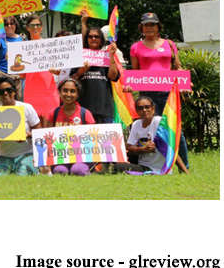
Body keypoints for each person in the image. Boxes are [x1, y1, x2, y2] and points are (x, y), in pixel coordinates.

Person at [127, 11, 189, 167]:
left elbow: (178, 67)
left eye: (152, 24)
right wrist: (129, 84)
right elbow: (135, 72)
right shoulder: (135, 47)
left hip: (169, 93)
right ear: (141, 27)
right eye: (146, 25)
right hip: (147, 95)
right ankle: (154, 164)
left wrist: (184, 83)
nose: (149, 28)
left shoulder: (169, 44)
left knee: (175, 129)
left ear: (158, 26)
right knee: (150, 130)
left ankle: (184, 166)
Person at [0, 75, 42, 176]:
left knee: (23, 175)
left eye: (8, 90)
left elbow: (39, 134)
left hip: (26, 154)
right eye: (1, 91)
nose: (5, 93)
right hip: (4, 156)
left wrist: (27, 135)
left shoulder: (26, 108)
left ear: (14, 91)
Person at [42, 78, 96, 176]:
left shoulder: (85, 113)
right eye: (65, 90)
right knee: (60, 171)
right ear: (59, 92)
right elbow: (48, 140)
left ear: (77, 94)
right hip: (61, 157)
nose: (68, 94)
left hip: (82, 157)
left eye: (72, 91)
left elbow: (94, 139)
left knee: (78, 170)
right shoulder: (53, 113)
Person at [72, 27, 119, 123]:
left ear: (101, 39)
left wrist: (111, 57)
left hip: (105, 109)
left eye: (96, 36)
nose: (93, 39)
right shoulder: (79, 57)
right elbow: (72, 79)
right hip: (83, 109)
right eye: (90, 36)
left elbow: (113, 77)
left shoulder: (107, 56)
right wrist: (81, 71)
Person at [19, 13, 59, 118]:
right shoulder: (22, 48)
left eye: (38, 25)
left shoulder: (50, 45)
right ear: (27, 28)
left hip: (48, 89)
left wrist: (55, 70)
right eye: (32, 25)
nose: (35, 27)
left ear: (42, 27)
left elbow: (59, 70)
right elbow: (21, 75)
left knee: (49, 128)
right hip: (31, 91)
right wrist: (13, 63)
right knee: (34, 127)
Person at [125, 96, 170, 173]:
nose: (144, 110)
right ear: (137, 111)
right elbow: (129, 147)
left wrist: (184, 170)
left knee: (117, 167)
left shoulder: (158, 122)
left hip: (155, 168)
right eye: (140, 108)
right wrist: (143, 149)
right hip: (141, 163)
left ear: (153, 109)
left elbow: (170, 147)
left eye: (147, 107)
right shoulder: (136, 124)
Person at [0, 15, 24, 99]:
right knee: (0, 100)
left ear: (16, 24)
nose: (9, 26)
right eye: (6, 24)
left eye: (12, 23)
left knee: (19, 101)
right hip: (3, 73)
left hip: (18, 75)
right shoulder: (1, 39)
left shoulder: (23, 38)